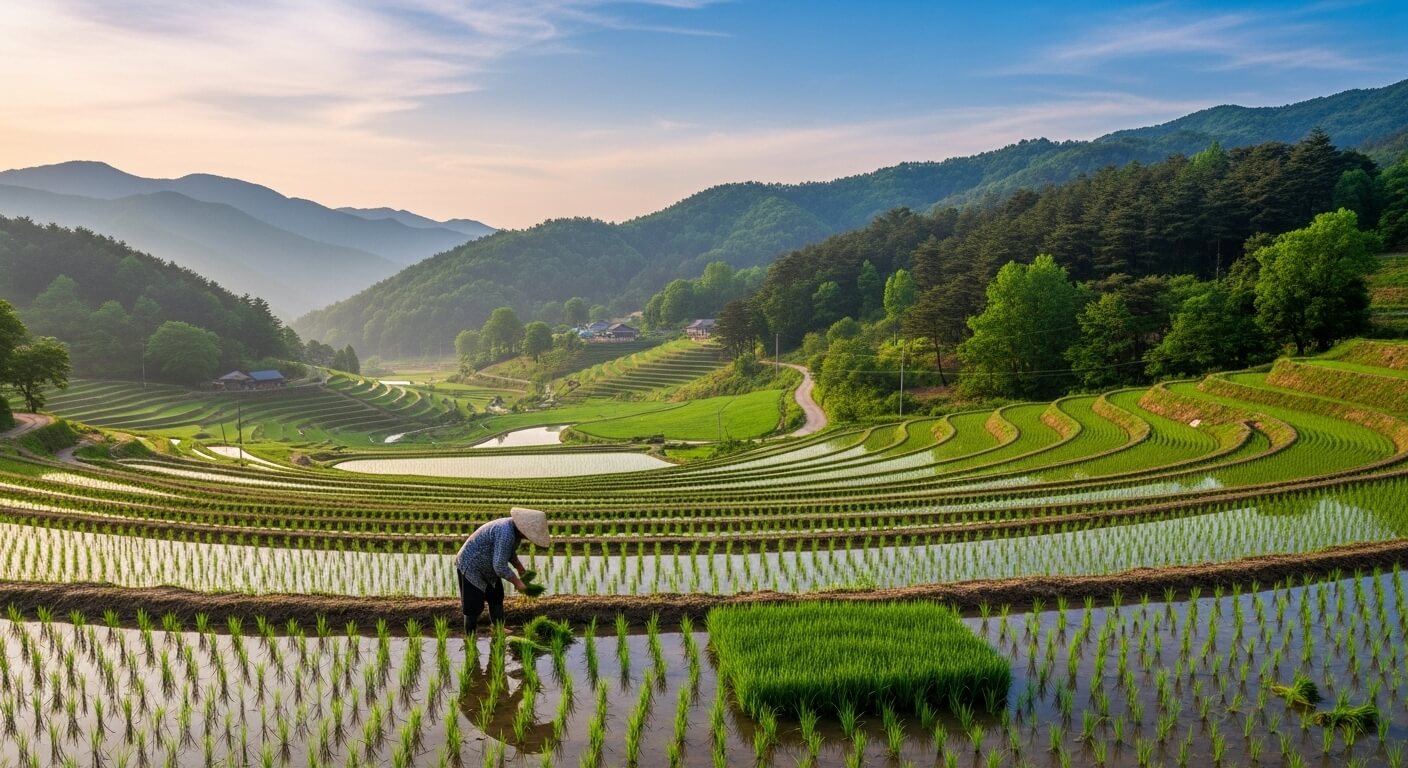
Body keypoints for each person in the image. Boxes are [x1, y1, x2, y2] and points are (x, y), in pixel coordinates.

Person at [455, 507, 552, 634]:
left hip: (488, 566)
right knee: (472, 606)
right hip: (471, 566)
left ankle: (498, 628)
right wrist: (517, 583)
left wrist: (519, 567)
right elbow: (499, 566)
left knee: (496, 596)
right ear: (524, 529)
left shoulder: (513, 531)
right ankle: (470, 637)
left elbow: (508, 552)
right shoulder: (506, 532)